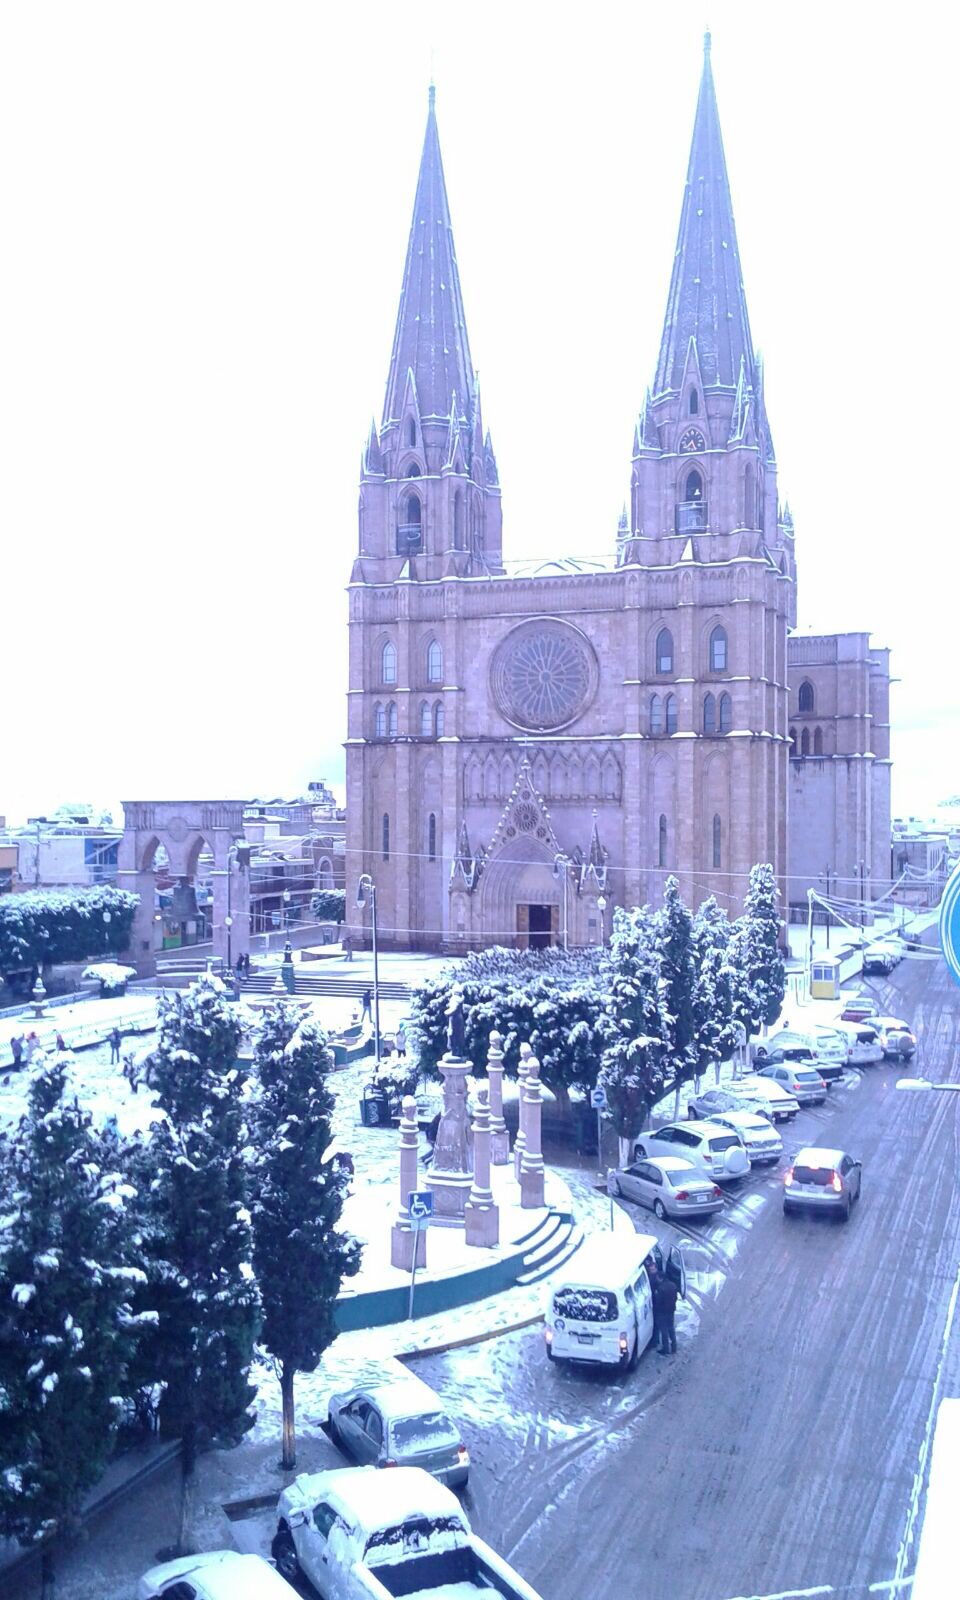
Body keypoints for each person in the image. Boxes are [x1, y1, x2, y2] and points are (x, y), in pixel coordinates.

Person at [653, 1269, 679, 1356]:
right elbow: (676, 1298)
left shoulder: (661, 1288)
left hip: (662, 1312)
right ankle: (674, 1347)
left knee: (664, 1330)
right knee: (671, 1328)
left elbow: (658, 1301)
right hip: (671, 1310)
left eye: (657, 1278)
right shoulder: (673, 1285)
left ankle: (666, 1348)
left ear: (660, 1278)